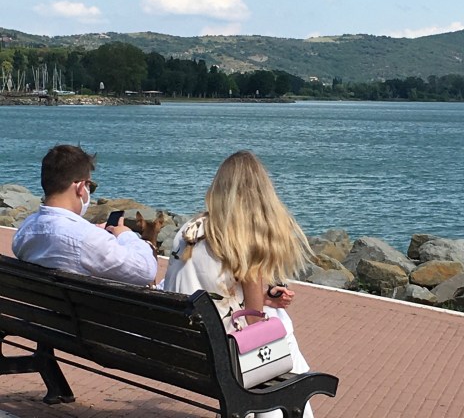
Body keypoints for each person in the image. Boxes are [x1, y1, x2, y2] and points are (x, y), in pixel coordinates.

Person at [164, 150, 314, 418]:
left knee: (272, 321)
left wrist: (263, 297)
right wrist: (265, 305)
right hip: (225, 356)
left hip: (184, 347)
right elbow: (255, 321)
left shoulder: (188, 230)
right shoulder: (240, 236)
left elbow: (209, 290)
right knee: (279, 324)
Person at [12, 144, 157, 286]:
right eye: (90, 187)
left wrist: (94, 230)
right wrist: (125, 234)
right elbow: (146, 271)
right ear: (81, 187)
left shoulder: (25, 230)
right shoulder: (88, 239)